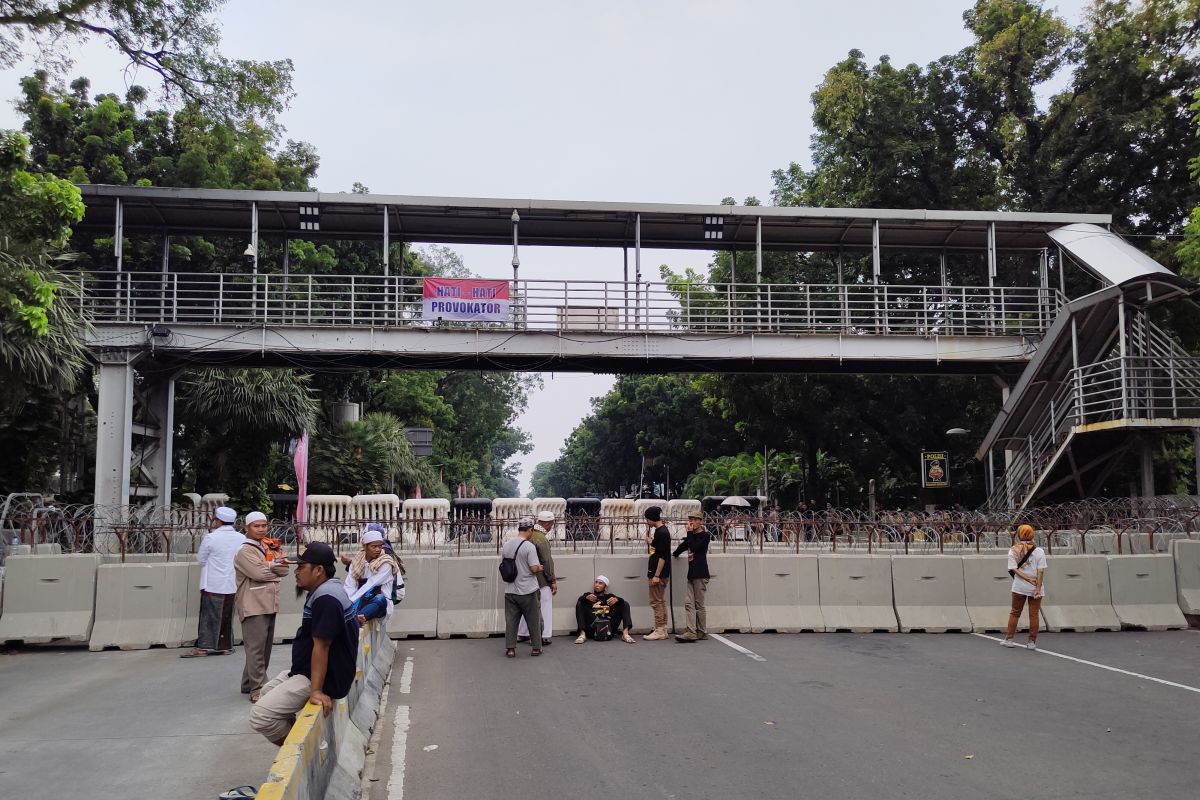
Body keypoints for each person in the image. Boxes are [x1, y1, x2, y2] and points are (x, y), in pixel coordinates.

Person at [249, 542, 359, 745]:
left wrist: (316, 690)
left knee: (261, 716)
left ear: (318, 570)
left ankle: (303, 751)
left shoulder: (327, 599)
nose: (296, 572)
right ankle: (300, 742)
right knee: (264, 693)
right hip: (305, 670)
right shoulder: (325, 591)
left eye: (301, 567)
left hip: (323, 678)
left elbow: (322, 646)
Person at [235, 510, 290, 702]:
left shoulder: (267, 546)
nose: (261, 529)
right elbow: (259, 575)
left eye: (263, 525)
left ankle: (247, 683)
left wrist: (270, 567)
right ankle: (257, 688)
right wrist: (272, 568)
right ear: (247, 528)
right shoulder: (245, 550)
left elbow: (285, 569)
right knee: (256, 649)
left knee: (263, 648)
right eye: (256, 526)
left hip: (269, 603)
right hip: (253, 605)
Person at [181, 506, 244, 658]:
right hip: (232, 583)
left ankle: (204, 647)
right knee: (226, 615)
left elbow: (201, 559)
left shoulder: (211, 537)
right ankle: (225, 646)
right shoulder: (241, 538)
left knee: (209, 616)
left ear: (218, 521)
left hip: (212, 583)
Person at [502, 517, 543, 658]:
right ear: (530, 529)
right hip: (528, 590)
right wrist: (540, 567)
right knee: (533, 620)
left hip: (510, 590)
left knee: (511, 621)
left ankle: (510, 649)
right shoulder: (529, 547)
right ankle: (536, 648)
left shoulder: (506, 545)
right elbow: (533, 568)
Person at [1002, 524, 1047, 650]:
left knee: (1015, 612)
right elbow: (1041, 571)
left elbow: (1013, 568)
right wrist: (1037, 587)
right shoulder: (1039, 551)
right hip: (1036, 587)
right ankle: (1031, 642)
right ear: (1032, 534)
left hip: (1019, 586)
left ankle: (1009, 639)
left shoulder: (1013, 550)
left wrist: (1026, 579)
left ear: (1019, 534)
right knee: (1034, 615)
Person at [345, 528, 402, 625]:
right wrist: (347, 605)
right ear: (365, 546)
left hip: (377, 603)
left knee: (380, 599)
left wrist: (351, 604)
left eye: (380, 546)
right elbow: (349, 585)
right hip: (358, 600)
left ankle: (352, 622)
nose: (378, 550)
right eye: (374, 546)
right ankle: (351, 618)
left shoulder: (385, 563)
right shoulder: (357, 561)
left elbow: (370, 585)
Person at [517, 510, 558, 645]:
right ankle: (544, 635)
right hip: (540, 579)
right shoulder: (541, 538)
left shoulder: (528, 534)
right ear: (546, 523)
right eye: (551, 523)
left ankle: (522, 633)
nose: (552, 526)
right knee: (545, 604)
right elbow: (546, 561)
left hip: (524, 577)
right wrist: (552, 580)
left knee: (527, 606)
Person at [672, 510, 711, 643]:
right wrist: (674, 554)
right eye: (690, 519)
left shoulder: (705, 536)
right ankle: (692, 631)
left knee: (699, 605)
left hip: (701, 574)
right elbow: (682, 547)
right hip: (692, 575)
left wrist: (689, 533)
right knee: (689, 603)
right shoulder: (690, 537)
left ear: (701, 521)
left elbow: (694, 547)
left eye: (695, 519)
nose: (692, 522)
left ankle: (700, 631)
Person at [573, 575, 635, 644]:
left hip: (608, 628)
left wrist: (617, 599)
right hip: (593, 627)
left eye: (600, 583)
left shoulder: (609, 597)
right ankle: (582, 634)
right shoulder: (589, 595)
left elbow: (622, 601)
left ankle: (625, 634)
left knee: (625, 604)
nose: (597, 585)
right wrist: (586, 597)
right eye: (596, 582)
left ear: (605, 587)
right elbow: (580, 599)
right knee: (580, 603)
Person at [643, 506, 672, 641]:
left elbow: (662, 556)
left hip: (657, 573)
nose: (646, 522)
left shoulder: (662, 533)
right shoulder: (662, 532)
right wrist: (651, 542)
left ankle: (659, 630)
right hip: (660, 573)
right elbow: (659, 548)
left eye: (647, 519)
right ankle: (663, 628)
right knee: (661, 601)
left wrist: (656, 575)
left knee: (655, 602)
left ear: (652, 518)